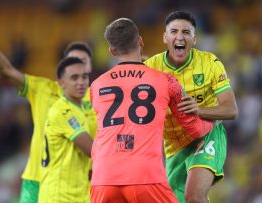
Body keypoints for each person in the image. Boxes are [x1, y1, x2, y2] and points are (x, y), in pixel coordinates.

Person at [90, 17, 214, 203]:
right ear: (140, 41)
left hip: (103, 179)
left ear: (112, 51)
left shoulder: (96, 85)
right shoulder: (166, 81)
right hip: (145, 177)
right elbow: (194, 129)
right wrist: (211, 123)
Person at [0, 21, 97, 203]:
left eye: (83, 63)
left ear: (89, 68)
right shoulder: (42, 89)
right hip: (37, 179)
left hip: (77, 182)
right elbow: (6, 70)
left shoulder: (97, 98)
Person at [144, 11, 238, 203]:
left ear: (194, 39)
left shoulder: (210, 63)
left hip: (207, 134)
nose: (180, 37)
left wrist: (199, 110)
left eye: (186, 32)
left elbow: (231, 110)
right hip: (174, 146)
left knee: (194, 196)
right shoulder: (150, 67)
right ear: (165, 37)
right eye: (174, 31)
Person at [39, 57, 93, 202]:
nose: (81, 82)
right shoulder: (64, 111)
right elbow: (92, 150)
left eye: (84, 77)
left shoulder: (77, 110)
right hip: (59, 196)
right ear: (61, 83)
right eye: (74, 78)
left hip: (76, 195)